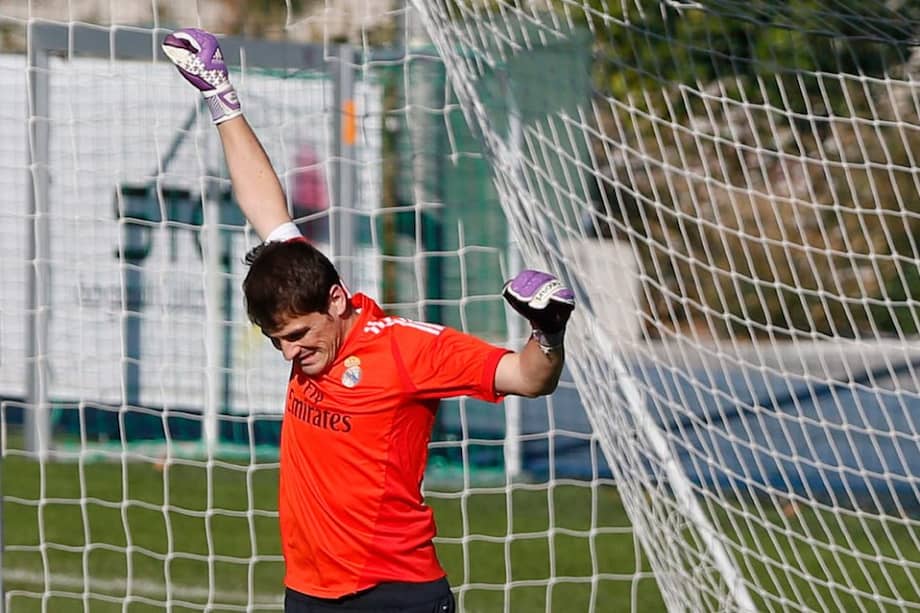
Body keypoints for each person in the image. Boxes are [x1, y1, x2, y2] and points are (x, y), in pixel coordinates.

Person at [162, 28, 575, 613]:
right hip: (308, 592)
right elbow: (263, 204)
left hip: (395, 594)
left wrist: (547, 333)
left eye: (298, 337)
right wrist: (219, 95)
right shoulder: (300, 294)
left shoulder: (410, 349)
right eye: (277, 342)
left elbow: (530, 378)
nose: (290, 356)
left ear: (336, 300)